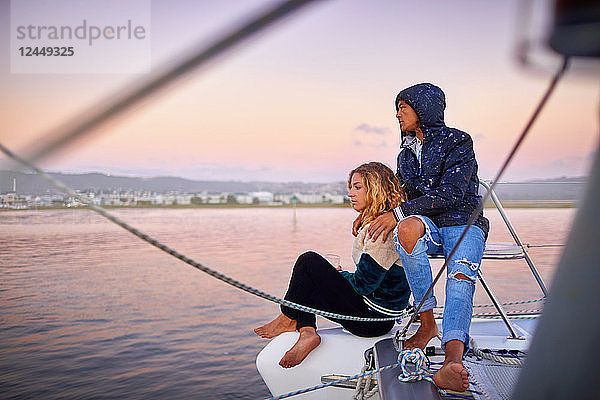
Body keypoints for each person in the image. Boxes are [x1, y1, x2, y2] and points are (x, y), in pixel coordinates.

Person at [363, 83, 489, 392]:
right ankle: (427, 322)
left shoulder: (458, 141)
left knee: (460, 278)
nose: (398, 114)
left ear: (423, 109)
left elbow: (453, 192)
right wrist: (369, 212)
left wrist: (398, 212)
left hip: (463, 221)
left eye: (403, 108)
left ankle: (451, 363)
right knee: (406, 229)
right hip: (430, 225)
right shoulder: (405, 154)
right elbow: (400, 197)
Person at [254, 162, 411, 368]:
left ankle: (287, 317)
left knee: (308, 261)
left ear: (375, 189)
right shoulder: (377, 223)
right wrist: (337, 277)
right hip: (374, 315)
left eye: (357, 187)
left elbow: (364, 285)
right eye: (350, 188)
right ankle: (307, 332)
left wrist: (339, 276)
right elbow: (371, 279)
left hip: (373, 319)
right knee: (305, 287)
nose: (350, 194)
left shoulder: (381, 230)